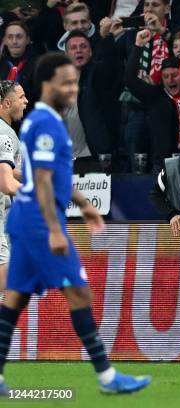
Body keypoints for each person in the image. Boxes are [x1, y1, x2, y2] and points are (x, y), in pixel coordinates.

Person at [0, 52, 151, 395]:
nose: (72, 88)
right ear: (47, 84)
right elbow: (39, 179)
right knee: (78, 292)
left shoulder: (47, 120)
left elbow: (52, 176)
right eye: (65, 82)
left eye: (75, 82)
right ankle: (108, 377)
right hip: (39, 223)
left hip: (27, 221)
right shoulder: (43, 124)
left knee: (14, 299)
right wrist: (55, 229)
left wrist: (83, 204)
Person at [126, 29, 180, 173]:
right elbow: (130, 78)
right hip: (162, 165)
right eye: (165, 76)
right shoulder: (155, 95)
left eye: (174, 75)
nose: (170, 80)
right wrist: (137, 46)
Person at [63, 30, 121, 174]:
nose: (78, 51)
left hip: (94, 157)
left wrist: (106, 37)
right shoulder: (57, 83)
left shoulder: (98, 74)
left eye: (83, 46)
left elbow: (111, 66)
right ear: (66, 54)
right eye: (73, 47)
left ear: (90, 52)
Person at [0, 80, 26, 291]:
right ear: (7, 104)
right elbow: (6, 183)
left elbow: (6, 171)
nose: (26, 101)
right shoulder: (5, 135)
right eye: (21, 97)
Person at [0, 21, 38, 103]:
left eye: (19, 37)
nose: (14, 41)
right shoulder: (1, 64)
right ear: (5, 40)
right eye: (10, 37)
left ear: (28, 40)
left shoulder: (39, 64)